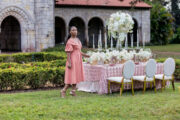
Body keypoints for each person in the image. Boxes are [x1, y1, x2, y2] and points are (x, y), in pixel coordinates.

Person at [61, 26, 90, 98]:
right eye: (73, 30)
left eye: (76, 30)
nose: (75, 31)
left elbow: (79, 51)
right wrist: (69, 62)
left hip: (78, 60)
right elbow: (68, 53)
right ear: (70, 32)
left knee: (76, 76)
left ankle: (73, 91)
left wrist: (86, 55)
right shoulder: (69, 41)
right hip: (72, 60)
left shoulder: (77, 40)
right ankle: (63, 91)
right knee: (71, 77)